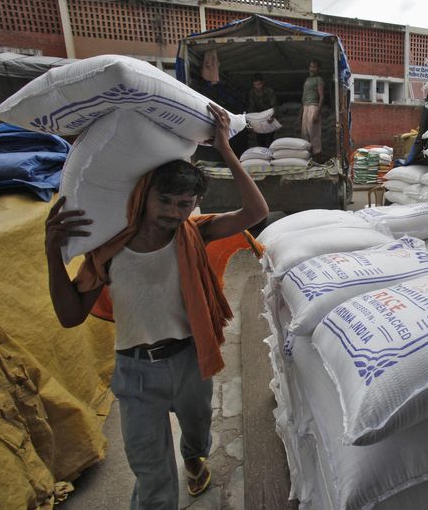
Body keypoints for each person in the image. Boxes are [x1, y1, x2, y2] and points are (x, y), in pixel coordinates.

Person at [44, 103, 268, 510]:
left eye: (185, 204)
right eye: (166, 201)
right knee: (151, 475)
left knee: (198, 433)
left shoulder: (195, 234)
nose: (173, 212)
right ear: (146, 196)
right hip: (136, 374)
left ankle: (194, 458)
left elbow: (256, 212)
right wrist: (51, 254)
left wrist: (225, 148)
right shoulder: (108, 250)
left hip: (189, 360)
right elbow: (70, 315)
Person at [299, 59, 325, 163]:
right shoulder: (307, 79)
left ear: (318, 69)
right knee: (304, 135)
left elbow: (322, 97)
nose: (312, 68)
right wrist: (300, 114)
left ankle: (319, 162)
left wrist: (317, 113)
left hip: (313, 107)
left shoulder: (319, 79)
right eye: (311, 66)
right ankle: (308, 161)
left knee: (314, 135)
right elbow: (304, 98)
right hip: (305, 107)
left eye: (314, 67)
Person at [247, 73, 278, 148]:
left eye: (259, 84)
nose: (257, 87)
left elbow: (274, 105)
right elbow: (252, 107)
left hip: (268, 117)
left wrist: (273, 116)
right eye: (255, 85)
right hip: (258, 118)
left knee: (270, 138)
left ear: (263, 83)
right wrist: (251, 119)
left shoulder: (269, 91)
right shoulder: (252, 92)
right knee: (260, 139)